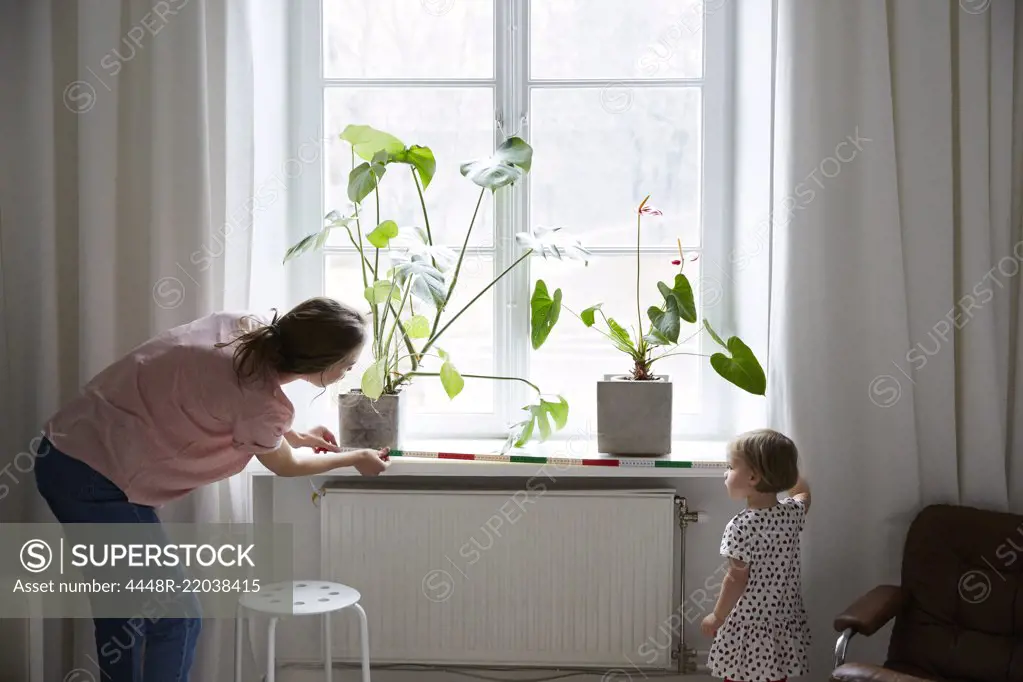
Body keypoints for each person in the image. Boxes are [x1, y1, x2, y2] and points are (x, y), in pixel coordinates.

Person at [34, 297, 390, 682]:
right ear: (320, 363)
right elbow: (288, 465)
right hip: (96, 482)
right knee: (178, 617)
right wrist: (355, 458)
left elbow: (219, 389)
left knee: (125, 612)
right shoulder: (263, 407)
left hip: (65, 449)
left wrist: (291, 435)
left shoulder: (239, 326)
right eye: (348, 365)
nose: (349, 371)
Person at [702, 428, 812, 682]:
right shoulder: (791, 514)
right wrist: (790, 471)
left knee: (739, 677)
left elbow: (735, 579)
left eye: (730, 467)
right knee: (776, 675)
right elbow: (804, 496)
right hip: (780, 621)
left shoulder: (741, 526)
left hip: (750, 626)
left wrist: (717, 616)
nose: (725, 473)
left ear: (752, 477)